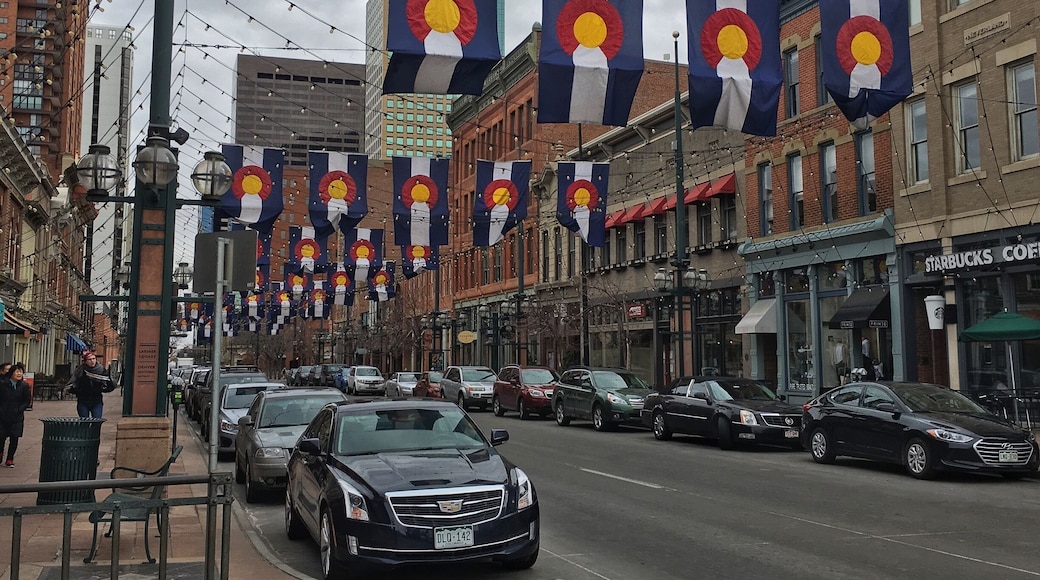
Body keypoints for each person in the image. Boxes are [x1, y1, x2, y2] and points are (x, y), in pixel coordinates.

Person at [0, 364, 32, 467]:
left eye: (21, 372)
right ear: (11, 373)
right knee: (1, 437)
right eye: (17, 372)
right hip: (3, 415)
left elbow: (26, 400)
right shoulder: (3, 384)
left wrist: (19, 409)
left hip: (16, 416)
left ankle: (10, 459)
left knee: (14, 437)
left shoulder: (24, 386)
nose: (19, 374)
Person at [66, 351, 114, 419]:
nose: (92, 361)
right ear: (85, 361)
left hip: (96, 401)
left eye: (94, 359)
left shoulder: (101, 370)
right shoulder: (80, 370)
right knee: (84, 422)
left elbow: (110, 385)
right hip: (83, 401)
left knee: (97, 421)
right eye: (89, 359)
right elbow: (73, 384)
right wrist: (79, 391)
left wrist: (100, 389)